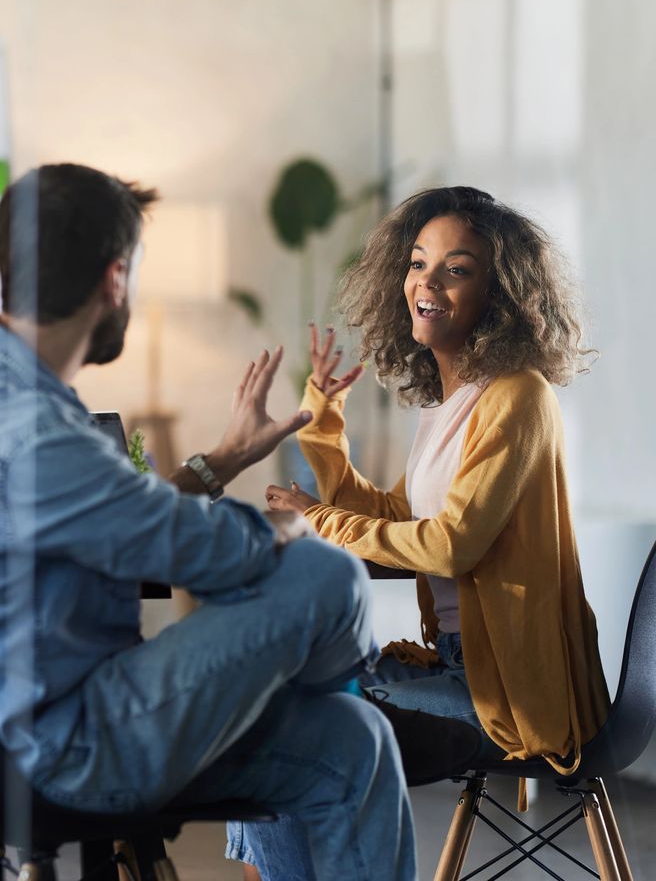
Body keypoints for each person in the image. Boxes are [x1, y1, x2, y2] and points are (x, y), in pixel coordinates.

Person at [0, 165, 482, 881]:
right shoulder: (37, 435)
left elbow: (120, 518)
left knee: (353, 741)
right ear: (115, 279)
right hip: (70, 748)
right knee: (325, 575)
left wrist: (220, 462)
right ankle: (353, 684)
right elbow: (227, 556)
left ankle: (349, 698)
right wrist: (297, 524)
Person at [229, 185, 611, 880]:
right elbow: (398, 523)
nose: (426, 283)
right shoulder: (454, 403)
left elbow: (449, 545)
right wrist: (324, 423)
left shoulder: (518, 396)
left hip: (506, 694)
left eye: (456, 269)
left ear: (499, 293)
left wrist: (318, 516)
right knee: (256, 698)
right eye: (417, 263)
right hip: (457, 666)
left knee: (273, 723)